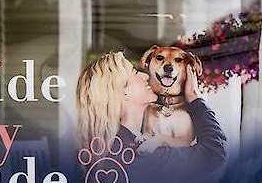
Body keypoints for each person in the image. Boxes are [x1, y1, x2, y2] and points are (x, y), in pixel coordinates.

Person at [76, 51, 227, 172]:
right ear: (124, 92)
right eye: (135, 73)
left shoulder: (118, 147)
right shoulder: (139, 154)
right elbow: (215, 154)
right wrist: (194, 97)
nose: (145, 76)